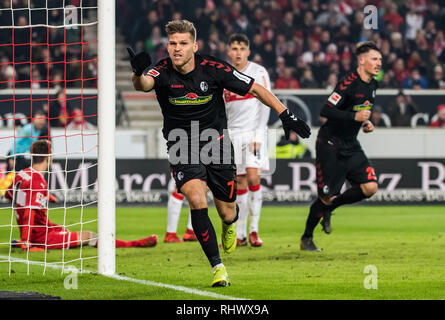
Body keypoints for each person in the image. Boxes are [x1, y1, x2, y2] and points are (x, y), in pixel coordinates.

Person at [128, 19, 310, 287]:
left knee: (227, 212)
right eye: (172, 44)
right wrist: (136, 72)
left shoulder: (214, 68)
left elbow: (256, 89)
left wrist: (286, 114)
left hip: (216, 143)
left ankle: (229, 225)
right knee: (195, 197)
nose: (176, 49)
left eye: (183, 43)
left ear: (194, 46)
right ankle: (218, 267)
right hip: (182, 145)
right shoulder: (161, 70)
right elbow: (143, 84)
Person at [4, 140, 157, 252]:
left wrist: (44, 197)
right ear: (48, 157)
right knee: (90, 236)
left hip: (42, 228)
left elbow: (10, 195)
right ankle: (135, 244)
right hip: (39, 234)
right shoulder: (38, 181)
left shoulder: (22, 174)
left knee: (64, 229)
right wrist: (26, 241)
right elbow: (29, 211)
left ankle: (28, 241)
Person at [300, 41, 381, 252]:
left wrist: (365, 123)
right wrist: (354, 116)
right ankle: (307, 238)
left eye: (380, 59)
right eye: (374, 59)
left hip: (351, 145)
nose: (379, 63)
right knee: (326, 197)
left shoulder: (373, 85)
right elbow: (326, 110)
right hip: (330, 145)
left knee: (370, 187)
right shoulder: (347, 84)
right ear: (361, 61)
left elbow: (361, 112)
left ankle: (330, 209)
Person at [224, 33, 271, 247]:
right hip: (233, 134)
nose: (238, 53)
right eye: (234, 48)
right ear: (229, 51)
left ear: (248, 52)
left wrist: (259, 133)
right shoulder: (224, 74)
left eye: (241, 48)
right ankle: (241, 233)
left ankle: (254, 230)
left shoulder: (259, 72)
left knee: (253, 177)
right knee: (240, 181)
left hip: (253, 133)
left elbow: (265, 103)